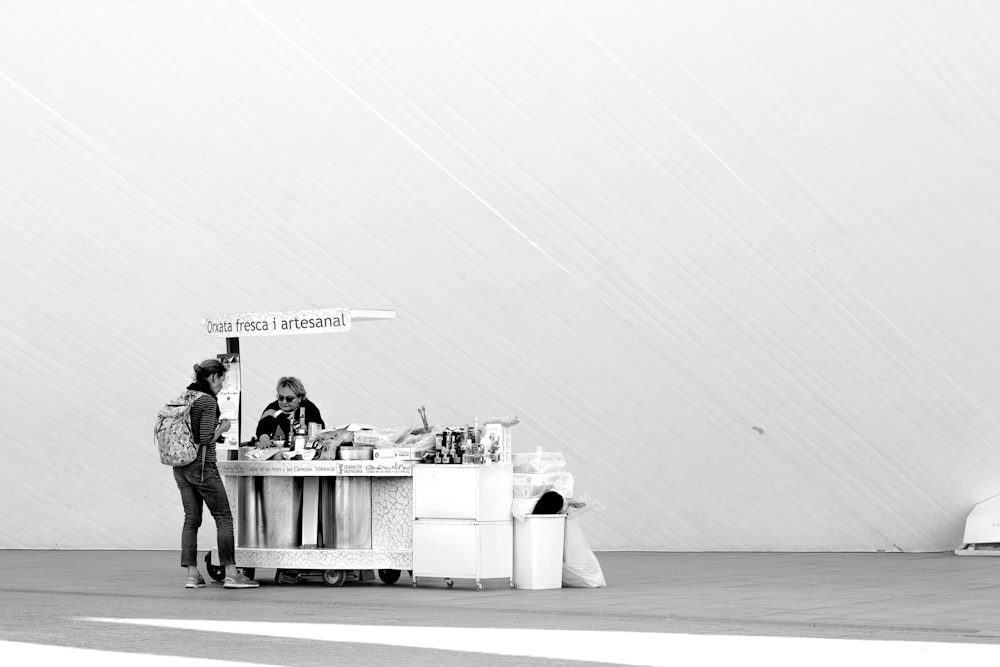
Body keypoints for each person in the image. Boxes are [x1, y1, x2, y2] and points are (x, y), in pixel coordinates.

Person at [173, 359, 259, 589]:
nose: (222, 384)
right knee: (223, 517)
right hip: (202, 466)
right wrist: (223, 428)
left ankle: (192, 575)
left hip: (180, 467)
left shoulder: (184, 397)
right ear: (213, 377)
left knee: (191, 520)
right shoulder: (208, 401)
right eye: (221, 379)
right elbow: (204, 439)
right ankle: (231, 573)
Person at [254, 376, 325, 448]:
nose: (284, 402)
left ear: (300, 398)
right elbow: (263, 427)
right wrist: (264, 438)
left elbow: (295, 435)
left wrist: (278, 415)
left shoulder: (309, 409)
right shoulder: (273, 406)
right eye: (281, 398)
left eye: (289, 399)